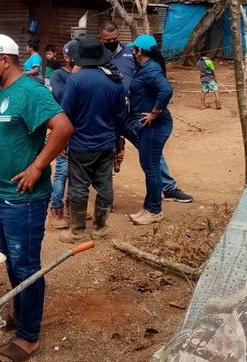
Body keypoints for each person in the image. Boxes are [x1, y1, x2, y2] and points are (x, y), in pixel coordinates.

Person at [0, 34, 73, 362]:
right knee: (12, 262)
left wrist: (37, 166)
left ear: (3, 59)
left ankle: (28, 337)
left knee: (25, 264)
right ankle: (21, 310)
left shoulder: (30, 92)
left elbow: (63, 127)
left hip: (23, 199)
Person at [99, 21, 193, 204]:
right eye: (107, 40)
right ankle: (106, 198)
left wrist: (153, 108)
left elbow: (152, 77)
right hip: (109, 113)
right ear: (100, 39)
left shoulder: (132, 52)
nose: (111, 42)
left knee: (150, 149)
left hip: (133, 115)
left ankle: (168, 187)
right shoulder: (97, 56)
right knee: (106, 153)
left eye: (115, 39)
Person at [58, 37, 127, 242]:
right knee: (105, 185)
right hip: (106, 144)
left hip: (80, 144)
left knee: (78, 186)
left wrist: (62, 141)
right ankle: (100, 228)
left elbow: (65, 112)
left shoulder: (75, 80)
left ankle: (77, 231)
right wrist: (118, 143)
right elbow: (120, 118)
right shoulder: (115, 81)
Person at [123, 34, 174, 225]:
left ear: (139, 51)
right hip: (149, 124)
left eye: (133, 49)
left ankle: (154, 210)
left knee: (151, 167)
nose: (132, 52)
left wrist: (155, 112)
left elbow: (166, 90)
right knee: (149, 166)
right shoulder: (146, 67)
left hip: (156, 124)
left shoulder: (151, 69)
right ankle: (148, 207)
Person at [47, 40, 79, 229]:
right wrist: (75, 76)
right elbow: (61, 98)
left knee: (78, 174)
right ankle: (56, 209)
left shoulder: (86, 74)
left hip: (81, 131)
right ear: (66, 57)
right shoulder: (58, 75)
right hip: (63, 130)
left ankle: (70, 208)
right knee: (62, 171)